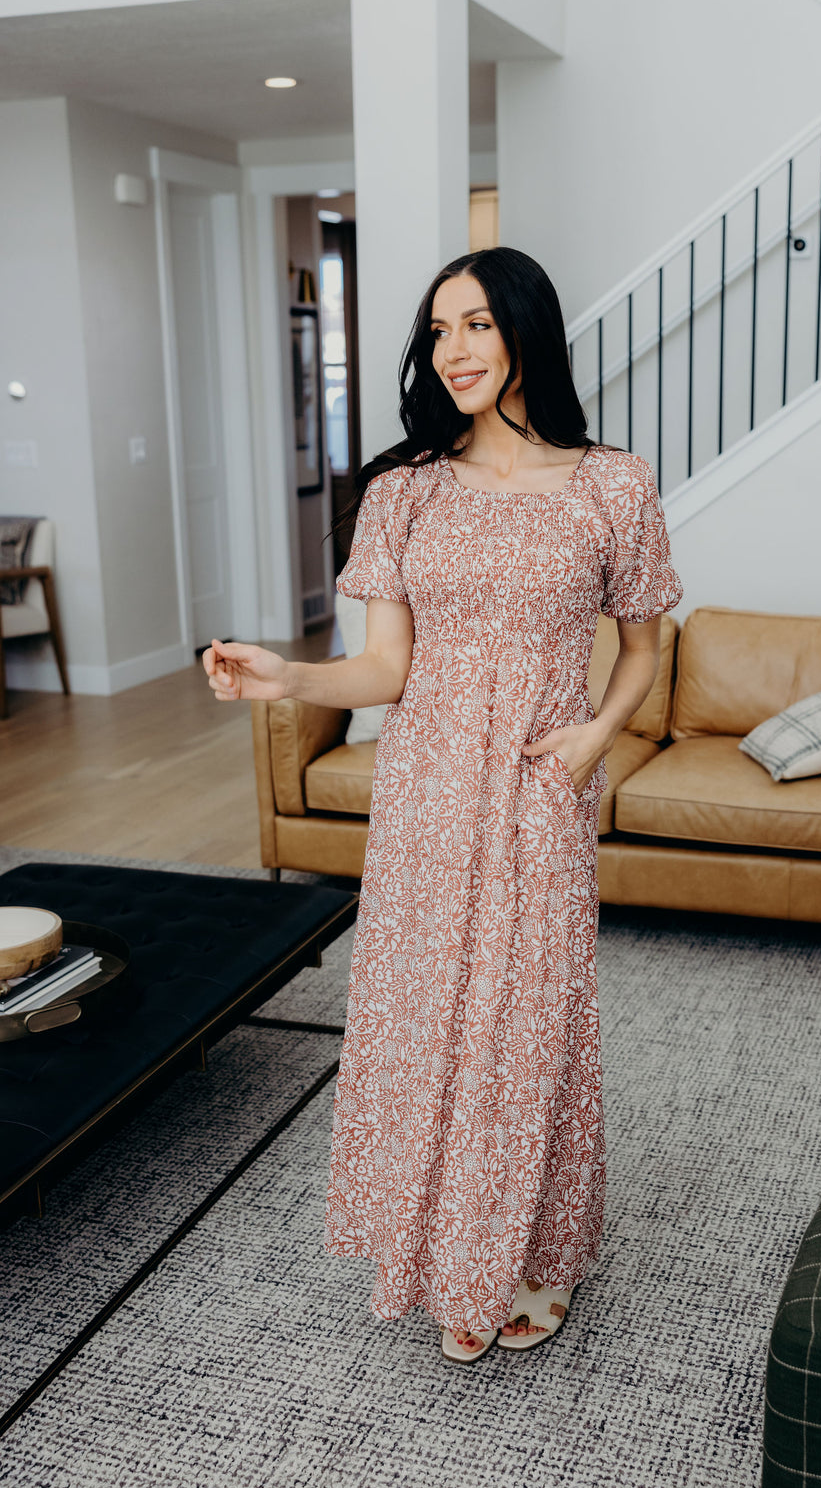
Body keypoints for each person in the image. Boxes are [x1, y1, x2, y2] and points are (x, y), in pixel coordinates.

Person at [203, 246, 683, 1364]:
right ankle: (446, 1252)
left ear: (524, 330)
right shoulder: (405, 489)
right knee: (427, 1021)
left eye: (475, 324)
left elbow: (643, 646)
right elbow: (384, 669)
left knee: (528, 1021)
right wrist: (286, 677)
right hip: (425, 789)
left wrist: (598, 737)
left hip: (539, 787)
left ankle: (529, 1252)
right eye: (437, 331)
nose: (452, 350)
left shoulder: (613, 483)